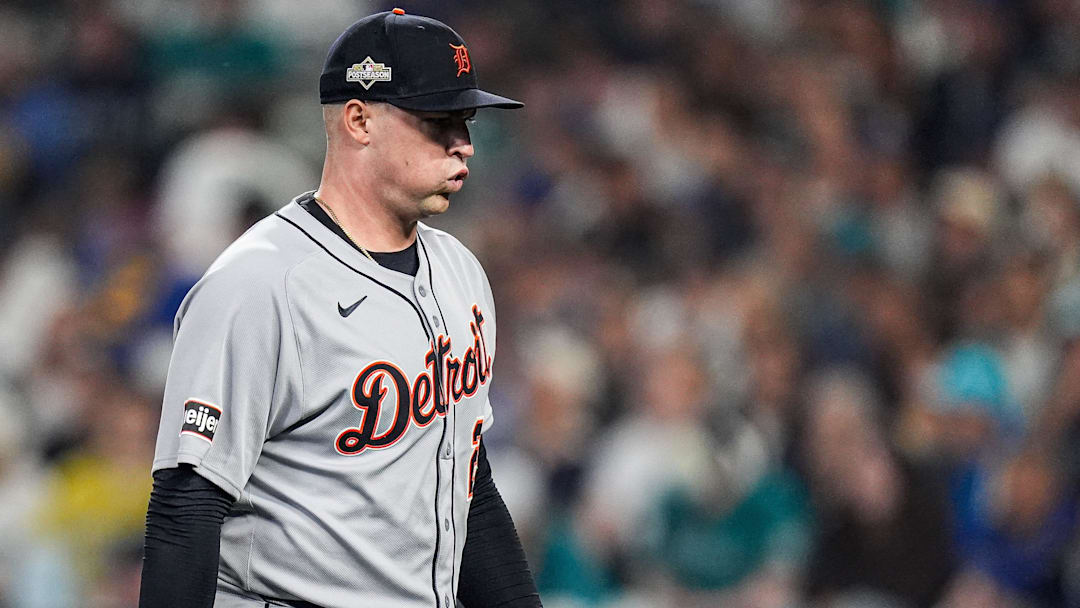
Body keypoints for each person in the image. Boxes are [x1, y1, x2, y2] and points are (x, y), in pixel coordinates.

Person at [138, 9, 541, 608]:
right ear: (359, 120)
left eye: (467, 120)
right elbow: (186, 505)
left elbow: (466, 483)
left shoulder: (461, 271)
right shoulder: (259, 283)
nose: (465, 144)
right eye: (439, 121)